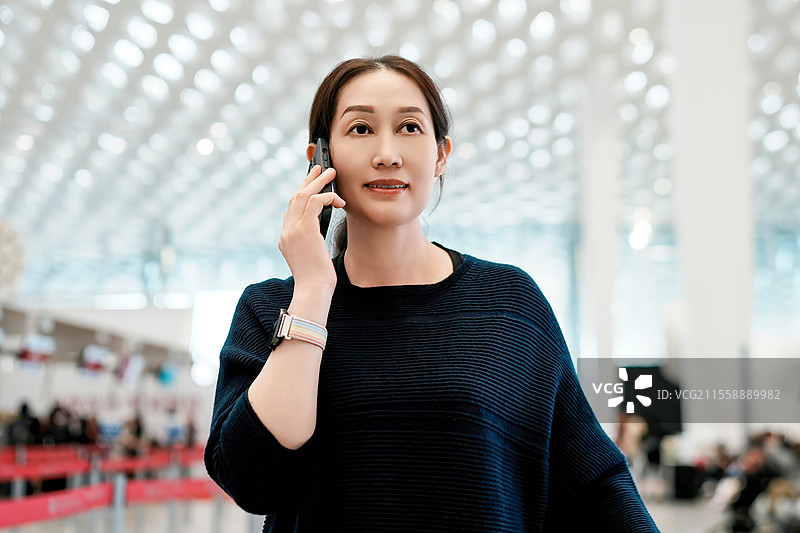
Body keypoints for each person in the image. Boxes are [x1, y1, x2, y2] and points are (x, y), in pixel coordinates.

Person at [205, 55, 659, 532]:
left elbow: (595, 483)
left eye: (408, 128)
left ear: (441, 153)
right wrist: (314, 290)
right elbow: (253, 482)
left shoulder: (509, 305)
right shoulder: (271, 309)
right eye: (360, 129)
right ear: (321, 157)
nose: (387, 153)